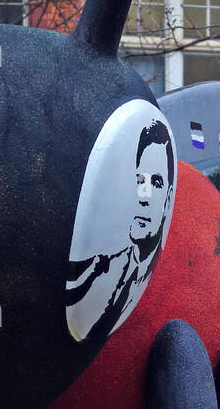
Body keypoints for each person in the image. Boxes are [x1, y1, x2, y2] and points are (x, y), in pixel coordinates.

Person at [65, 120, 175, 343]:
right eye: (140, 180)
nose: (144, 196)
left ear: (169, 196)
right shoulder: (95, 271)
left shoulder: (168, 285)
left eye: (156, 182)